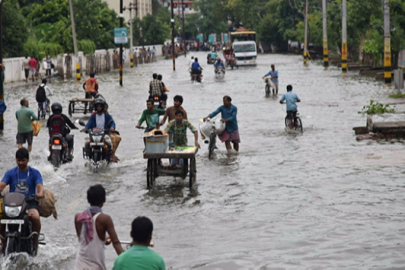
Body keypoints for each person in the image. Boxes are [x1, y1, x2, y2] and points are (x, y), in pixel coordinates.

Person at [0, 148, 44, 253]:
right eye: (18, 160)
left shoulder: (35, 173)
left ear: (28, 160)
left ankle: (35, 241)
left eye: (23, 160)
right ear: (16, 160)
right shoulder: (10, 172)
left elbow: (39, 186)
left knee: (36, 217)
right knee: (1, 217)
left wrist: (40, 193)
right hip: (12, 204)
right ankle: (2, 242)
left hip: (29, 203)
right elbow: (2, 185)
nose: (21, 163)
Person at [74, 184, 123, 269]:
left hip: (79, 265)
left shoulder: (78, 217)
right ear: (104, 200)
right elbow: (116, 243)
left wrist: (103, 241)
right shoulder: (105, 219)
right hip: (96, 266)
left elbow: (85, 241)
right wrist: (127, 260)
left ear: (88, 200)